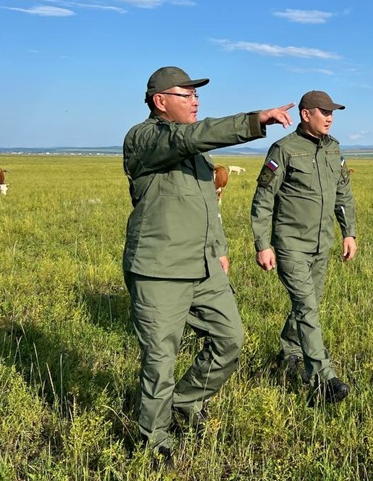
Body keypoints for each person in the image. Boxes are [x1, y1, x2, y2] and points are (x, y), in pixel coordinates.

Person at [122, 66, 294, 460]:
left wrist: (219, 247)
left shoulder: (194, 154)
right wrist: (255, 120)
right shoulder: (144, 138)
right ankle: (153, 440)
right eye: (186, 95)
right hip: (159, 268)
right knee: (160, 360)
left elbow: (205, 206)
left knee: (229, 338)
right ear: (160, 101)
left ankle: (183, 402)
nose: (196, 100)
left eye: (196, 95)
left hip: (202, 265)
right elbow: (190, 136)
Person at [250, 90, 357, 404]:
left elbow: (343, 194)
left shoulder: (334, 149)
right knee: (307, 307)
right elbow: (263, 200)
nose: (329, 117)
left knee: (308, 305)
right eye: (323, 111)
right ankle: (325, 379)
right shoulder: (283, 149)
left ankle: (290, 353)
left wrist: (348, 233)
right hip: (291, 244)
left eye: (332, 112)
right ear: (305, 113)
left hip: (322, 243)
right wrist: (262, 244)